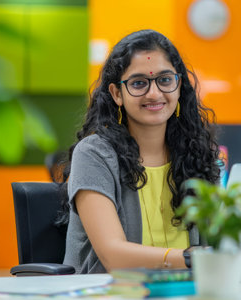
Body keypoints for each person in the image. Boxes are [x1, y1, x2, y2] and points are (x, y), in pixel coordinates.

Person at [62, 29, 220, 274]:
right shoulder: (94, 155)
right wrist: (193, 259)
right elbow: (113, 255)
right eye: (138, 83)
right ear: (117, 94)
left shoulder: (196, 153)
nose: (154, 93)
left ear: (179, 86)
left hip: (186, 290)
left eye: (165, 79)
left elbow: (218, 240)